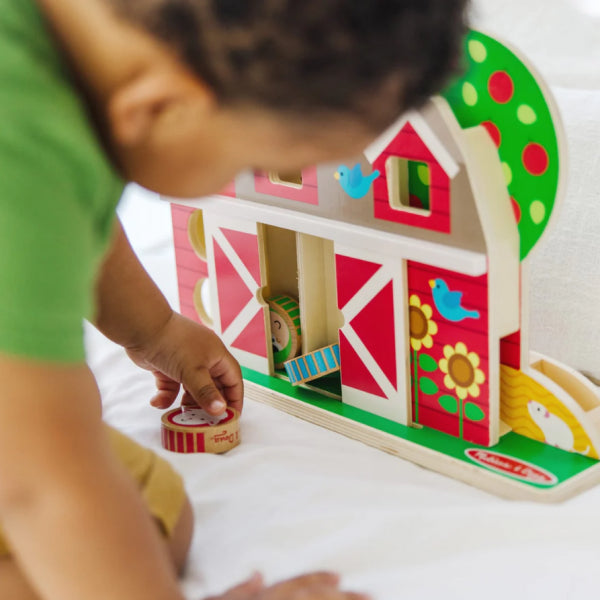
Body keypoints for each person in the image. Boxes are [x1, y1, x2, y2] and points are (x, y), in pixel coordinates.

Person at [0, 0, 469, 598]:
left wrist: (156, 330)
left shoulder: (74, 59)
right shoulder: (19, 149)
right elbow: (39, 487)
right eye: (256, 163)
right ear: (161, 108)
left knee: (155, 514)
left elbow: (71, 219)